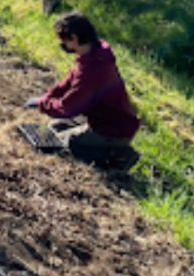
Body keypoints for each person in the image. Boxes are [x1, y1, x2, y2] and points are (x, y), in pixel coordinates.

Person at [25, 12, 140, 167]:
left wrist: (42, 105)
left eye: (64, 40)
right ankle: (103, 146)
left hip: (113, 130)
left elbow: (68, 108)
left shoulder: (94, 70)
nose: (62, 45)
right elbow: (68, 82)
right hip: (101, 120)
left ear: (74, 38)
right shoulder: (93, 55)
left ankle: (118, 154)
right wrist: (47, 97)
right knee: (54, 127)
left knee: (64, 143)